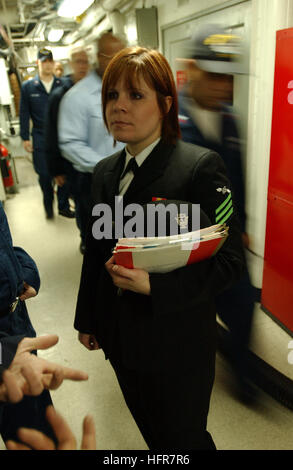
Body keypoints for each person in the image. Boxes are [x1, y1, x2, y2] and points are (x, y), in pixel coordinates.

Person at [74, 46, 245, 450]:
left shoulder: (199, 169)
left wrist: (157, 287)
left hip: (177, 344)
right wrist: (89, 318)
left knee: (183, 440)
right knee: (155, 436)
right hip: (121, 340)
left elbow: (231, 261)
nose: (119, 107)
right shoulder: (103, 174)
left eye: (136, 96)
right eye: (112, 96)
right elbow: (97, 254)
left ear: (166, 104)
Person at [178, 24, 256, 401]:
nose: (223, 87)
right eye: (213, 76)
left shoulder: (229, 118)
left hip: (226, 238)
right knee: (191, 321)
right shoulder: (166, 119)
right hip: (186, 245)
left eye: (228, 78)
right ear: (190, 69)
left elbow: (236, 177)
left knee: (243, 307)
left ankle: (244, 377)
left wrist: (242, 224)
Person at [0, 201, 80, 443]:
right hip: (5, 347)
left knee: (36, 420)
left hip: (16, 325)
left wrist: (25, 272)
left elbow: (5, 248)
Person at [58, 32, 125, 253]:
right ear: (100, 57)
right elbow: (69, 143)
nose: (119, 62)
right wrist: (109, 167)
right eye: (112, 56)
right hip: (96, 186)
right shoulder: (78, 96)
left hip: (132, 182)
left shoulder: (133, 90)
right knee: (105, 248)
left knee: (131, 243)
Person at [19, 47, 74, 220]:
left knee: (64, 171)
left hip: (62, 135)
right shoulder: (29, 87)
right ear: (38, 63)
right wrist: (24, 137)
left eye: (50, 61)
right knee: (44, 175)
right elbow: (24, 112)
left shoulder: (62, 84)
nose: (47, 65)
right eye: (44, 62)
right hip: (41, 136)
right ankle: (48, 204)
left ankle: (64, 206)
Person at [44, 48, 90, 252]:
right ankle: (85, 238)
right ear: (71, 64)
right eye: (78, 61)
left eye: (86, 61)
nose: (82, 66)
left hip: (97, 159)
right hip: (72, 163)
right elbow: (51, 133)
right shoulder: (60, 96)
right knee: (81, 202)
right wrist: (56, 169)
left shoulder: (98, 91)